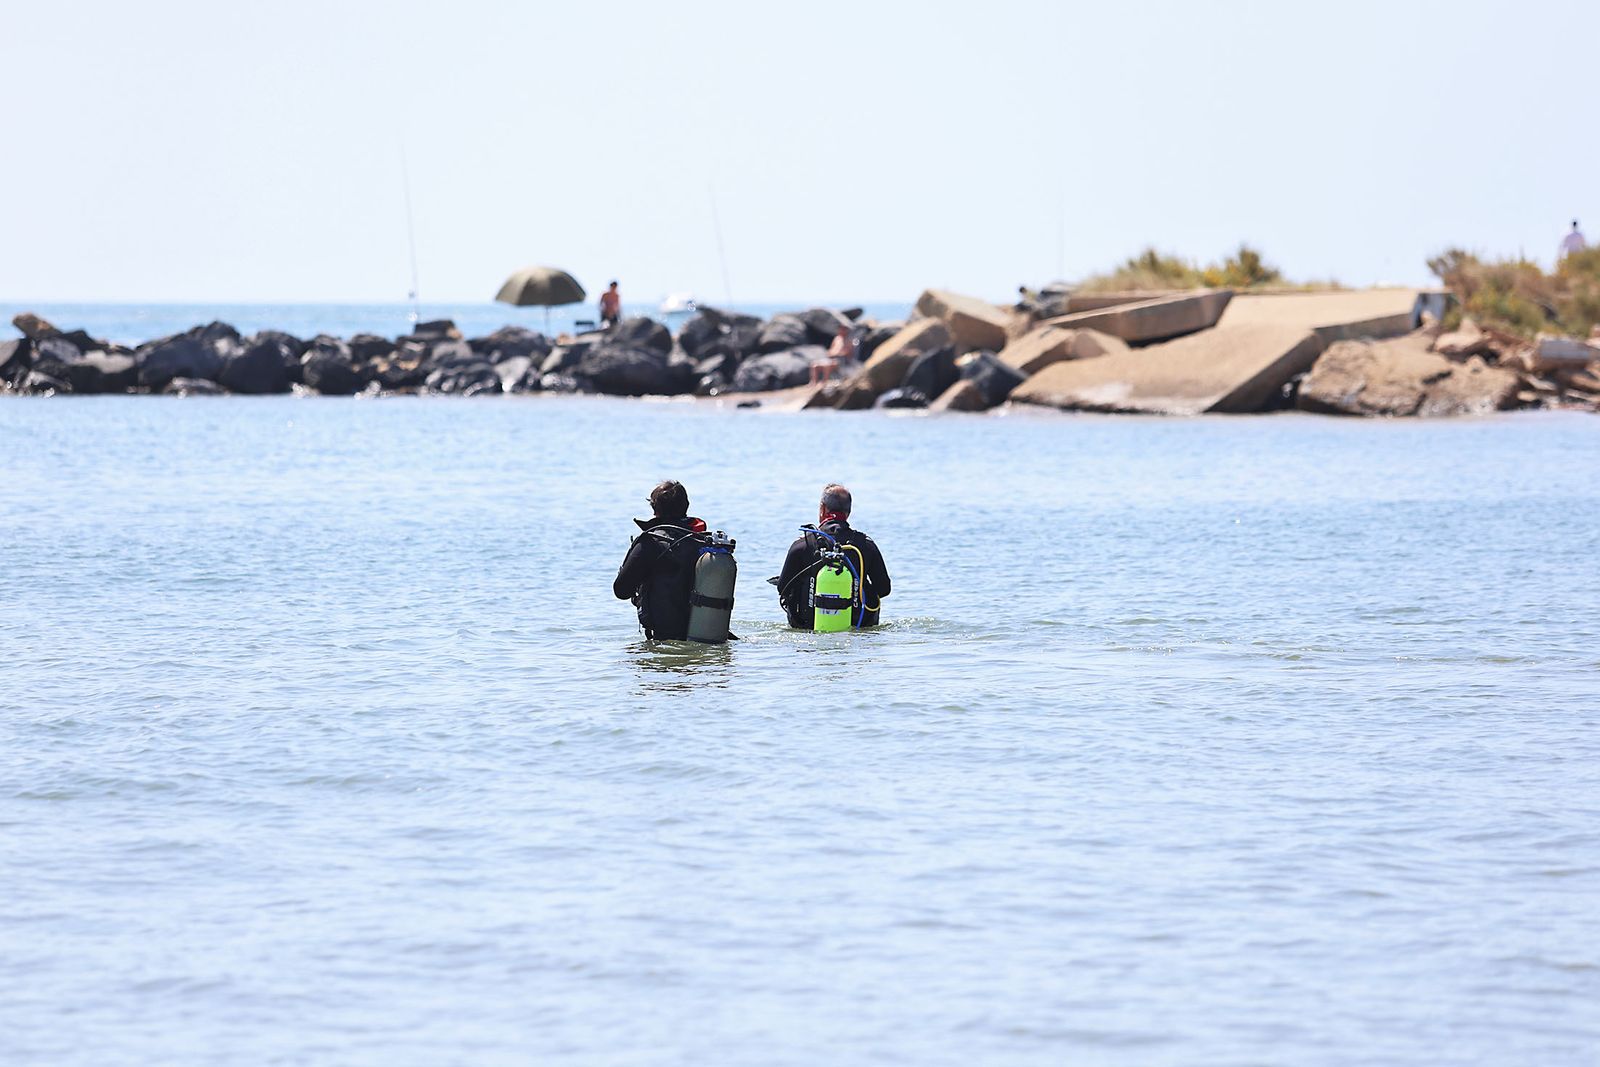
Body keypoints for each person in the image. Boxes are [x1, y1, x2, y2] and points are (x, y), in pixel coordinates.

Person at [775, 483, 891, 629]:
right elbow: (884, 589)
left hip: (809, 628)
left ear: (822, 508)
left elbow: (782, 588)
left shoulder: (801, 545)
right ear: (848, 512)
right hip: (858, 627)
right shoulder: (866, 545)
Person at [613, 480, 707, 640]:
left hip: (666, 637)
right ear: (686, 506)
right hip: (708, 630)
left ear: (654, 508)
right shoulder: (703, 541)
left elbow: (621, 591)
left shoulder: (651, 542)